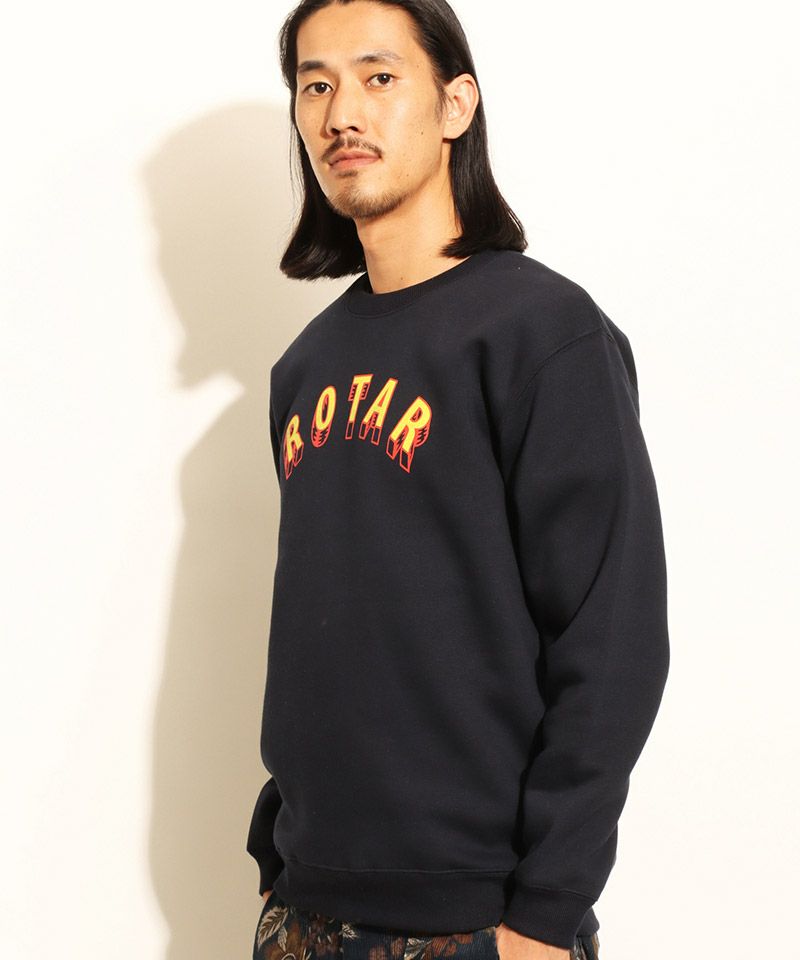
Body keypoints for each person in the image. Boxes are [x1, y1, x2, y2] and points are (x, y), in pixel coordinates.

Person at [247, 2, 670, 959]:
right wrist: (276, 847)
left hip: (479, 916)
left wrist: (544, 913)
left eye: (378, 76)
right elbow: (334, 618)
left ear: (455, 104)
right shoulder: (304, 367)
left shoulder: (543, 334)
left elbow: (613, 638)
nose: (342, 112)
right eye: (315, 85)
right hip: (304, 904)